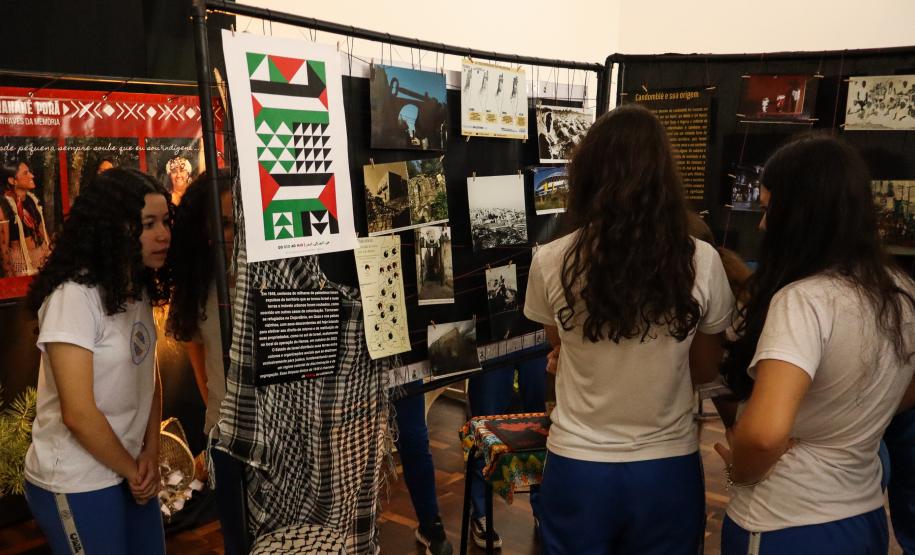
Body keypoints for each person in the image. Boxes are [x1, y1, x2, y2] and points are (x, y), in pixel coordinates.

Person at [523, 104, 734, 554]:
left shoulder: (550, 259)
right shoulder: (702, 260)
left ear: (587, 174)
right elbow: (704, 369)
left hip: (579, 463)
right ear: (664, 176)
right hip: (665, 466)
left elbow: (557, 345)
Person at [717, 134, 915, 554]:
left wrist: (741, 471)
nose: (763, 224)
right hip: (861, 515)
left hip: (785, 520)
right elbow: (906, 391)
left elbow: (765, 436)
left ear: (801, 213)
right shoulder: (901, 290)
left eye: (770, 209)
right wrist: (845, 421)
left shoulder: (804, 300)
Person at [23, 168, 171, 554]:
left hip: (130, 470)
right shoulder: (73, 296)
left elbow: (148, 377)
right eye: (148, 224)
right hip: (78, 478)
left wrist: (150, 453)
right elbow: (78, 412)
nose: (163, 234)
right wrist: (132, 469)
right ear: (114, 228)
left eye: (165, 221)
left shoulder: (135, 289)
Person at [165, 171, 247, 555]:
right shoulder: (199, 286)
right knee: (237, 538)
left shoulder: (262, 277)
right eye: (220, 223)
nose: (228, 234)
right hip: (226, 436)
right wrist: (217, 418)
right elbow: (199, 361)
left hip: (279, 433)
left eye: (234, 222)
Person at [0, 161, 50, 277]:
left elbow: (43, 232)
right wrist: (11, 279)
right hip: (21, 267)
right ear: (13, 181)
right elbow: (3, 249)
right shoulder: (3, 206)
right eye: (26, 173)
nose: (32, 176)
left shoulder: (32, 200)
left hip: (41, 259)